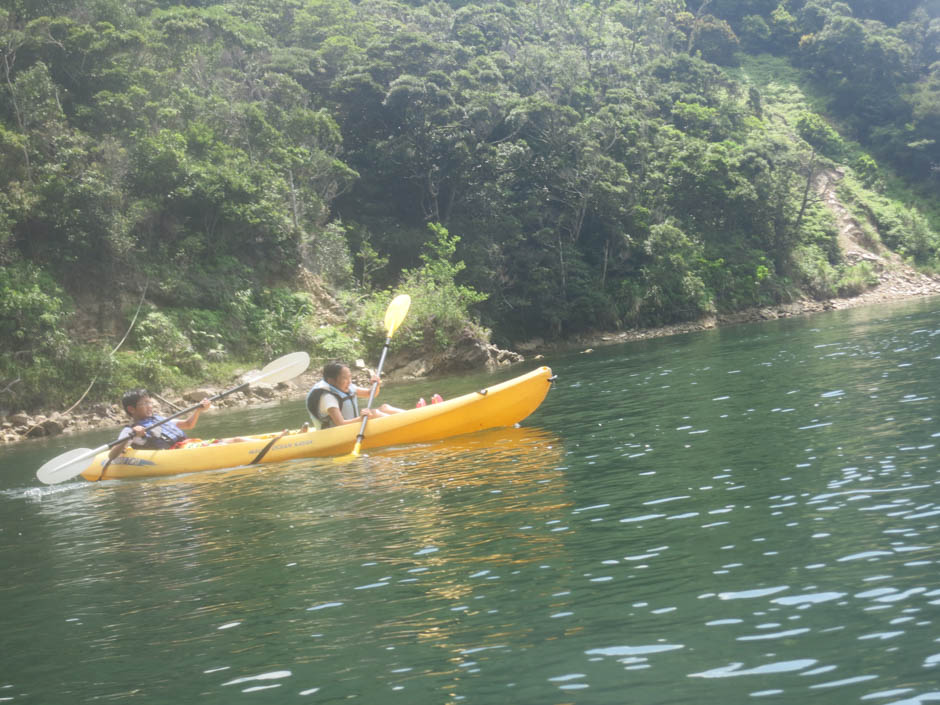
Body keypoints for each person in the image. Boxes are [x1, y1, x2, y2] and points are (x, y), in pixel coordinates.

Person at [108, 388, 224, 460]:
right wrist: (132, 434)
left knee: (236, 440)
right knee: (226, 445)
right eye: (144, 403)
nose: (150, 406)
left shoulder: (159, 419)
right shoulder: (129, 430)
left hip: (186, 446)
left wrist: (198, 410)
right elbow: (112, 455)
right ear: (132, 409)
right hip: (174, 455)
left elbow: (188, 424)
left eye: (149, 402)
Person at [306, 362, 404, 429]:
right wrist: (361, 418)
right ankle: (403, 425)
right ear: (331, 381)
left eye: (350, 377)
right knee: (373, 413)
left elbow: (371, 394)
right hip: (338, 432)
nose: (349, 381)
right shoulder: (328, 397)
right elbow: (340, 424)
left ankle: (414, 416)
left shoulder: (345, 386)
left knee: (384, 407)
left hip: (351, 427)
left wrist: (376, 385)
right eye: (344, 378)